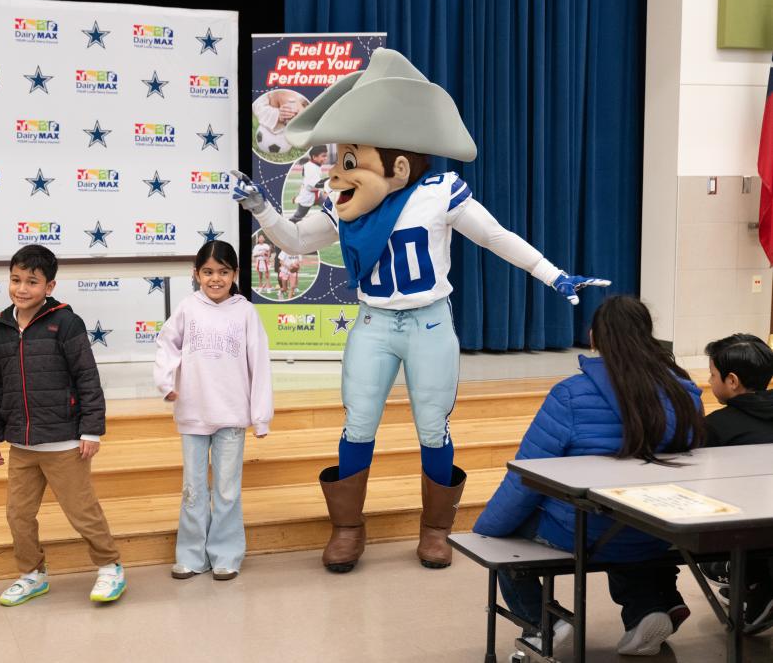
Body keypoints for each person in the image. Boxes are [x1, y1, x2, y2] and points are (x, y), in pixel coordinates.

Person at [231, 48, 609, 573]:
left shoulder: (439, 193)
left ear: (399, 163)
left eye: (351, 159)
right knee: (358, 425)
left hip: (429, 321)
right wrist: (259, 206)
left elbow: (496, 237)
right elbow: (294, 242)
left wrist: (552, 273)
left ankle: (435, 529)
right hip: (374, 322)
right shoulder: (344, 208)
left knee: (433, 428)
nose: (340, 172)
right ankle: (347, 527)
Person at [474, 296, 704, 657]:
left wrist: (487, 528)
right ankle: (647, 609)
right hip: (660, 526)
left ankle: (545, 624)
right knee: (625, 524)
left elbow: (528, 476)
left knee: (505, 543)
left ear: (594, 337)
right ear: (647, 336)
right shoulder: (685, 392)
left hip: (584, 531)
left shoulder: (570, 395)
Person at [0, 244, 126, 606]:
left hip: (64, 442)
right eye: (15, 280)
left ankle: (110, 566)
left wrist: (91, 429)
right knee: (18, 515)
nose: (22, 288)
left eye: (32, 281)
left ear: (49, 286)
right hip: (22, 443)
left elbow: (87, 378)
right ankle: (32, 574)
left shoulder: (66, 323)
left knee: (82, 512)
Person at [154, 241, 273, 580]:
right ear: (196, 274)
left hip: (232, 415)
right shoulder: (187, 308)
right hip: (193, 413)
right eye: (208, 272)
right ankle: (191, 555)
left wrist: (260, 415)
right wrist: (167, 383)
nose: (215, 279)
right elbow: (166, 344)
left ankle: (226, 554)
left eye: (223, 272)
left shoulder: (246, 312)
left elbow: (260, 365)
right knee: (193, 487)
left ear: (235, 274)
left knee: (226, 488)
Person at [701, 333, 773, 634]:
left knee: (708, 552)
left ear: (732, 381)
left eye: (713, 374)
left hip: (745, 528)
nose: (708, 381)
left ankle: (752, 582)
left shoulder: (717, 426)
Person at [290, 146, 330, 222]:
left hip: (316, 193)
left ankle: (333, 222)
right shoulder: (310, 167)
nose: (326, 158)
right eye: (323, 156)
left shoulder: (314, 165)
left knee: (330, 206)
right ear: (314, 157)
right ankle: (289, 226)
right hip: (307, 196)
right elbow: (317, 184)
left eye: (326, 155)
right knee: (298, 216)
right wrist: (332, 179)